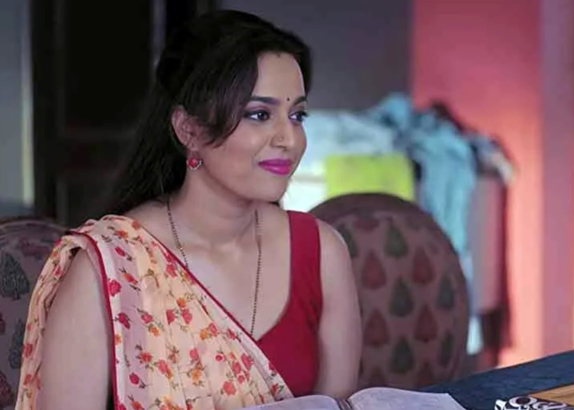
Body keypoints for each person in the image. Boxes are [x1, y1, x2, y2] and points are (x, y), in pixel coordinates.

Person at [16, 10, 361, 410]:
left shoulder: (321, 253)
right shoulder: (111, 267)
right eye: (259, 115)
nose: (289, 139)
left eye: (297, 115)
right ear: (188, 130)